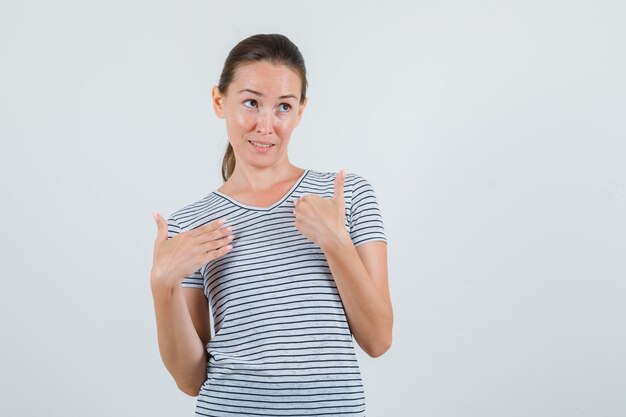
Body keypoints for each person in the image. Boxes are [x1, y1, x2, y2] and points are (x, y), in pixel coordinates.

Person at [150, 33, 393, 416]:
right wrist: (161, 285)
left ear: (300, 111)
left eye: (283, 106)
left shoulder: (347, 197)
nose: (265, 125)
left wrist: (336, 242)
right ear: (219, 101)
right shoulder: (190, 225)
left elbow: (378, 339)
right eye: (250, 102)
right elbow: (191, 380)